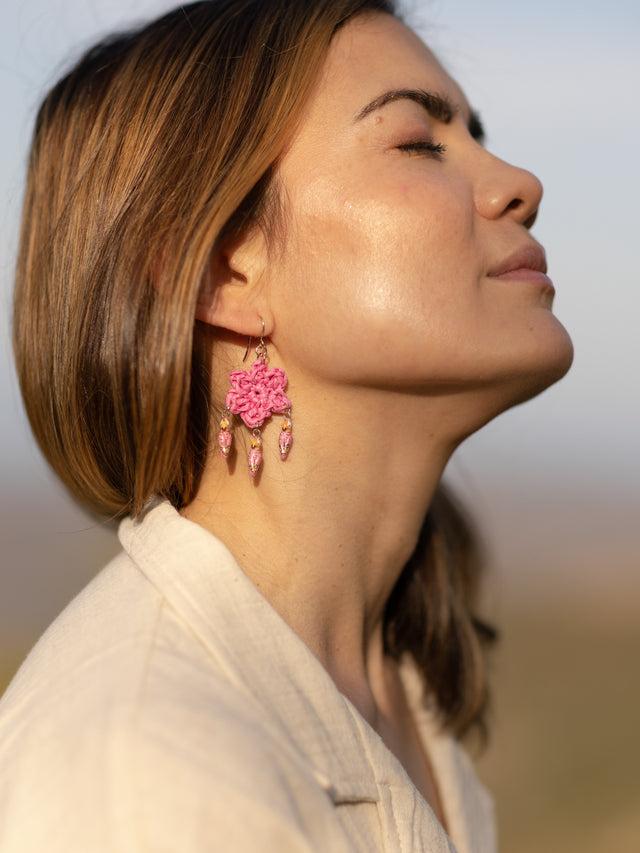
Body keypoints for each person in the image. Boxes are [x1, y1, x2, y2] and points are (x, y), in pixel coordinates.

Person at [1, 0, 574, 850]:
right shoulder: (141, 769)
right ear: (226, 271)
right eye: (420, 141)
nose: (517, 183)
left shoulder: (401, 694)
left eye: (477, 135)